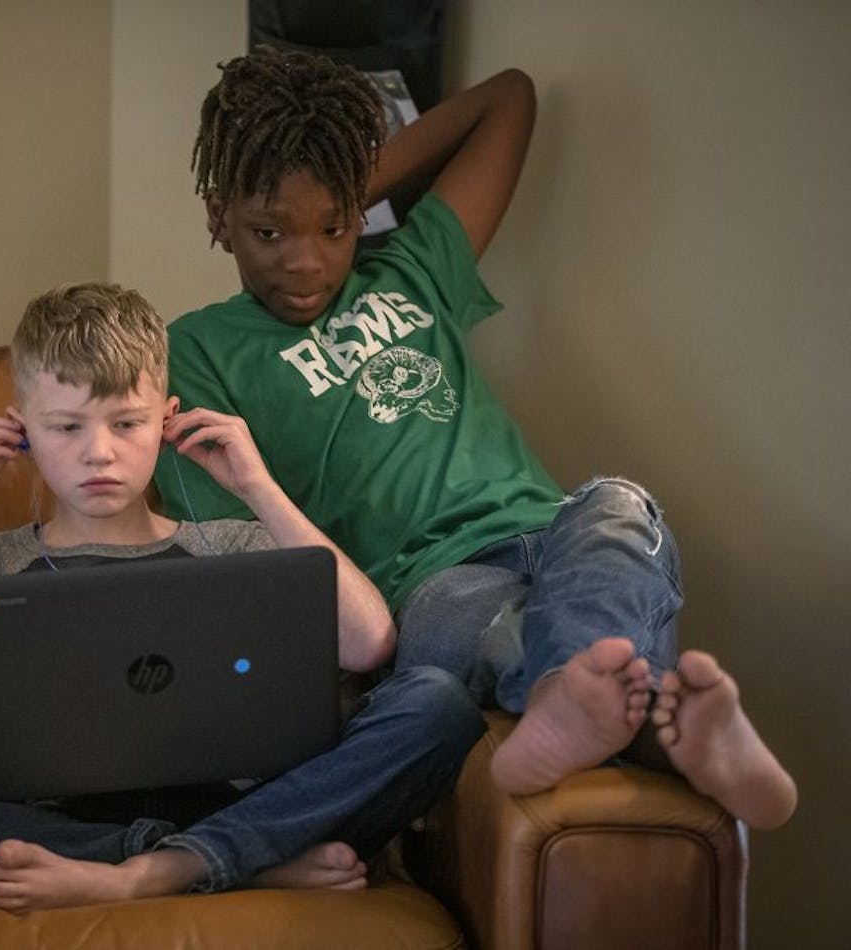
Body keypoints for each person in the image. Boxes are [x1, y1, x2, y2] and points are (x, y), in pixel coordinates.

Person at [156, 46, 796, 830]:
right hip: (431, 580)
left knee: (621, 507)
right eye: (268, 230)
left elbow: (508, 99)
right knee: (508, 633)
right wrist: (312, 192)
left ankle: (580, 707)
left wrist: (333, 177)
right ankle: (669, 731)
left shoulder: (413, 271)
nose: (306, 261)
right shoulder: (193, 350)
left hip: (554, 528)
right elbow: (237, 557)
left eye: (333, 227)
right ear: (217, 214)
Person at [0, 281, 485, 911]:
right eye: (65, 427)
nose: (99, 453)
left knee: (436, 699)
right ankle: (223, 866)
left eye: (127, 423)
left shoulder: (233, 545)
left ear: (167, 422)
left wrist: (258, 487)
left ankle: (155, 870)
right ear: (21, 433)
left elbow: (368, 643)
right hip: (60, 822)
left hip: (256, 805)